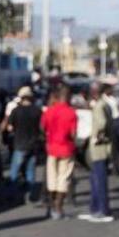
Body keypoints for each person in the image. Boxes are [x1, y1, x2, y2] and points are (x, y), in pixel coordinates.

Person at [40, 85, 77, 220]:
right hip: (66, 148)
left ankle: (52, 206)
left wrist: (49, 137)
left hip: (52, 148)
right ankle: (58, 207)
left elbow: (42, 127)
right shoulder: (71, 113)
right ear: (68, 97)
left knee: (52, 178)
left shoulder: (49, 111)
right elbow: (73, 134)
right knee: (63, 178)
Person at [79, 82, 115, 223]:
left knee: (99, 181)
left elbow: (101, 124)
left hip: (100, 149)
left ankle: (103, 210)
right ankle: (94, 209)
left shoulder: (99, 106)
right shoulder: (104, 104)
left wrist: (96, 137)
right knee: (94, 180)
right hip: (101, 148)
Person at [2, 86, 41, 204]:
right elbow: (42, 128)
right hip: (33, 145)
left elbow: (9, 128)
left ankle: (12, 196)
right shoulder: (37, 111)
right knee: (30, 172)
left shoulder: (16, 111)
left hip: (19, 144)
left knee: (14, 172)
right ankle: (31, 196)